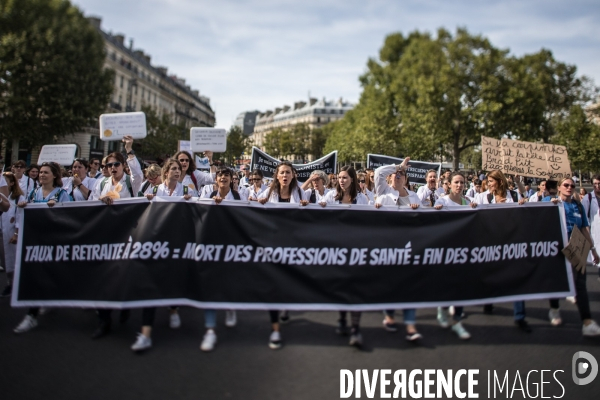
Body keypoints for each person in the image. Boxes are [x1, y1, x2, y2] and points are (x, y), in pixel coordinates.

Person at [130, 160, 190, 352]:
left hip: (176, 241)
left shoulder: (187, 190)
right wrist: (145, 201)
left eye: (178, 170)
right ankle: (145, 333)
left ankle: (173, 308)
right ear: (165, 172)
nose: (176, 172)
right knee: (151, 281)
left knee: (172, 276)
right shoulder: (154, 190)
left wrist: (190, 202)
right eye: (173, 169)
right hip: (155, 241)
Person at [13, 162, 72, 334]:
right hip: (37, 242)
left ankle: (51, 299)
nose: (41, 175)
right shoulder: (32, 193)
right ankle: (32, 314)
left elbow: (69, 217)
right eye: (40, 172)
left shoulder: (62, 194)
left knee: (52, 273)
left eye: (46, 172)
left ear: (54, 176)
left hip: (54, 242)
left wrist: (58, 208)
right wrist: (24, 207)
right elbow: (24, 216)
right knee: (36, 276)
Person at [257, 161, 308, 349]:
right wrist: (258, 203)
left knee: (289, 283)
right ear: (276, 176)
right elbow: (250, 207)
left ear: (293, 175)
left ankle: (286, 304)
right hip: (272, 247)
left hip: (293, 247)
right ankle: (276, 329)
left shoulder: (302, 194)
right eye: (282, 173)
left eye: (288, 172)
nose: (285, 175)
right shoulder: (268, 194)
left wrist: (306, 206)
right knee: (273, 286)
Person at [474, 170, 532, 332]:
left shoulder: (513, 196)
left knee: (516, 277)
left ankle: (519, 316)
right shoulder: (482, 197)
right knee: (490, 274)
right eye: (488, 181)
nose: (489, 184)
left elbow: (524, 211)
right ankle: (488, 301)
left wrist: (520, 205)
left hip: (511, 241)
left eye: (491, 181)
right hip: (491, 242)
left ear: (499, 181)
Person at [319, 166, 368, 347]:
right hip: (337, 250)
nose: (341, 180)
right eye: (339, 177)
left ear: (353, 179)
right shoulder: (330, 197)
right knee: (341, 287)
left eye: (345, 177)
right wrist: (320, 207)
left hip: (356, 250)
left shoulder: (362, 199)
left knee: (355, 289)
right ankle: (341, 319)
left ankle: (355, 328)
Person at [544, 177, 600, 336]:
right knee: (556, 281)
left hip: (575, 245)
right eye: (566, 185)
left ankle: (587, 322)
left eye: (572, 186)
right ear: (559, 187)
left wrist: (593, 250)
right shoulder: (550, 201)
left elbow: (584, 228)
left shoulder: (578, 206)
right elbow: (533, 212)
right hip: (556, 246)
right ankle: (554, 309)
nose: (569, 188)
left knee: (580, 285)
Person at [197, 167, 242, 351]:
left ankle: (230, 308)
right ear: (216, 179)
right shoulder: (208, 196)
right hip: (212, 248)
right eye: (220, 175)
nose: (223, 178)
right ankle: (210, 330)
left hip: (231, 248)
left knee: (229, 283)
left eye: (226, 176)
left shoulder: (239, 198)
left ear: (232, 179)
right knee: (211, 287)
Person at [433, 172, 477, 340]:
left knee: (461, 286)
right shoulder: (442, 201)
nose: (459, 185)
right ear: (449, 184)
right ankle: (442, 310)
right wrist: (436, 212)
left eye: (462, 182)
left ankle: (457, 321)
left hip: (463, 251)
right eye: (456, 182)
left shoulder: (468, 202)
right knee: (447, 284)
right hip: (446, 251)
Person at [90, 137, 143, 203]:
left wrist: (128, 149)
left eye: (116, 164)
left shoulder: (131, 182)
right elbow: (93, 202)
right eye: (109, 165)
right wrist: (101, 198)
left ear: (123, 165)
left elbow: (137, 174)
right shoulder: (101, 183)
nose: (113, 167)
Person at [0, 172, 25, 297]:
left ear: (12, 183)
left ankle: (15, 285)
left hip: (12, 232)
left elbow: (20, 217)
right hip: (2, 233)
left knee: (13, 260)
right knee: (4, 261)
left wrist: (16, 233)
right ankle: (10, 283)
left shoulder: (18, 198)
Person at [582, 174, 600, 270]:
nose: (597, 186)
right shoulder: (587, 198)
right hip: (595, 235)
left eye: (599, 183)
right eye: (595, 184)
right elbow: (584, 219)